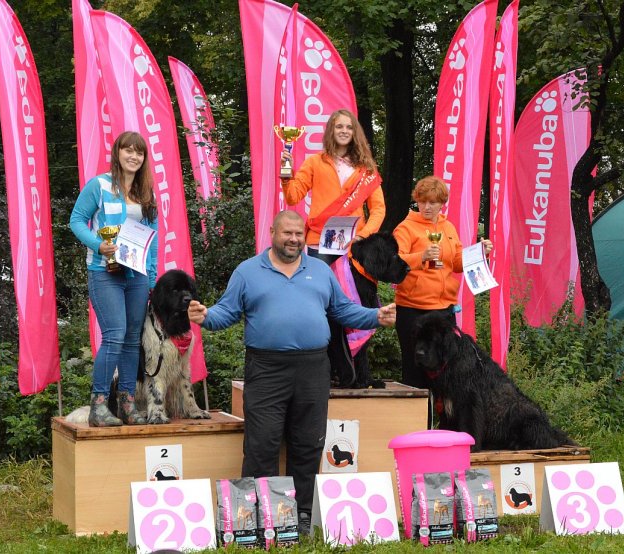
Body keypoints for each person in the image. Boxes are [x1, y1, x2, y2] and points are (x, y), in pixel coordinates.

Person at [187, 210, 396, 532]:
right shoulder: (247, 272)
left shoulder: (321, 271)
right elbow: (225, 313)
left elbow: (342, 309)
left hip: (313, 368)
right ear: (272, 232)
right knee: (262, 444)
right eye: (287, 233)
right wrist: (205, 317)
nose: (294, 239)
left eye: (299, 234)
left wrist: (375, 316)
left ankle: (301, 514)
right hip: (266, 368)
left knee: (308, 443)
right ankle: (259, 514)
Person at [69, 131, 157, 427]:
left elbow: (152, 241)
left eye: (139, 152)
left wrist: (153, 279)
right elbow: (76, 220)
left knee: (133, 340)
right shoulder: (100, 185)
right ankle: (98, 406)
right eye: (128, 150)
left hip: (137, 275)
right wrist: (99, 245)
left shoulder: (146, 192)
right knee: (115, 335)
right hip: (104, 272)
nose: (134, 156)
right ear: (117, 153)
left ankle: (128, 404)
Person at [392, 176, 492, 390]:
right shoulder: (405, 228)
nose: (427, 207)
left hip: (444, 310)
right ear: (417, 201)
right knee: (415, 371)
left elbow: (456, 263)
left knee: (445, 370)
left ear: (441, 203)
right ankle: (417, 422)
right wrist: (421, 256)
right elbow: (394, 263)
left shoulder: (449, 227)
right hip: (413, 310)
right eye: (422, 201)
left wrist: (479, 253)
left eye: (433, 202)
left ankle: (442, 422)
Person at [280, 109, 385, 264]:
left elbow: (379, 209)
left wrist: (363, 235)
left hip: (354, 243)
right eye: (339, 127)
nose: (344, 131)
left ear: (355, 132)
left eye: (349, 127)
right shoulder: (314, 162)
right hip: (320, 241)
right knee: (318, 288)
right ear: (331, 130)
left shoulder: (367, 168)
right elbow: (292, 198)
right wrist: (287, 176)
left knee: (353, 289)